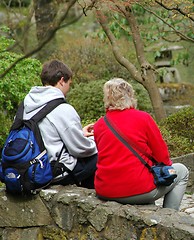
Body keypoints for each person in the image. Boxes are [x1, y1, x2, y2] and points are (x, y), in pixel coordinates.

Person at [93, 78, 189, 210]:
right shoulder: (143, 118)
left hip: (105, 190)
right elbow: (163, 157)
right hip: (137, 189)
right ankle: (170, 216)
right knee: (182, 171)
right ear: (130, 95)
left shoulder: (99, 124)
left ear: (107, 98)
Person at [23, 59, 97, 189]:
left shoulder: (27, 104)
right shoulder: (62, 108)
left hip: (29, 168)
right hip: (52, 171)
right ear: (62, 80)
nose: (68, 88)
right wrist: (96, 140)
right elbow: (80, 149)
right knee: (100, 154)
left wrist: (80, 134)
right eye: (69, 83)